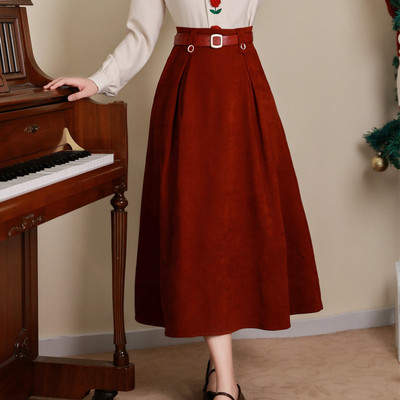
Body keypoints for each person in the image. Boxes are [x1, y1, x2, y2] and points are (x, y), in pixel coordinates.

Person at [45, 1, 323, 399]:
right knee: (199, 228)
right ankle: (226, 382)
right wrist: (98, 80)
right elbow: (141, 35)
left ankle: (219, 373)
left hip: (243, 84)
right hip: (188, 88)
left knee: (241, 225)